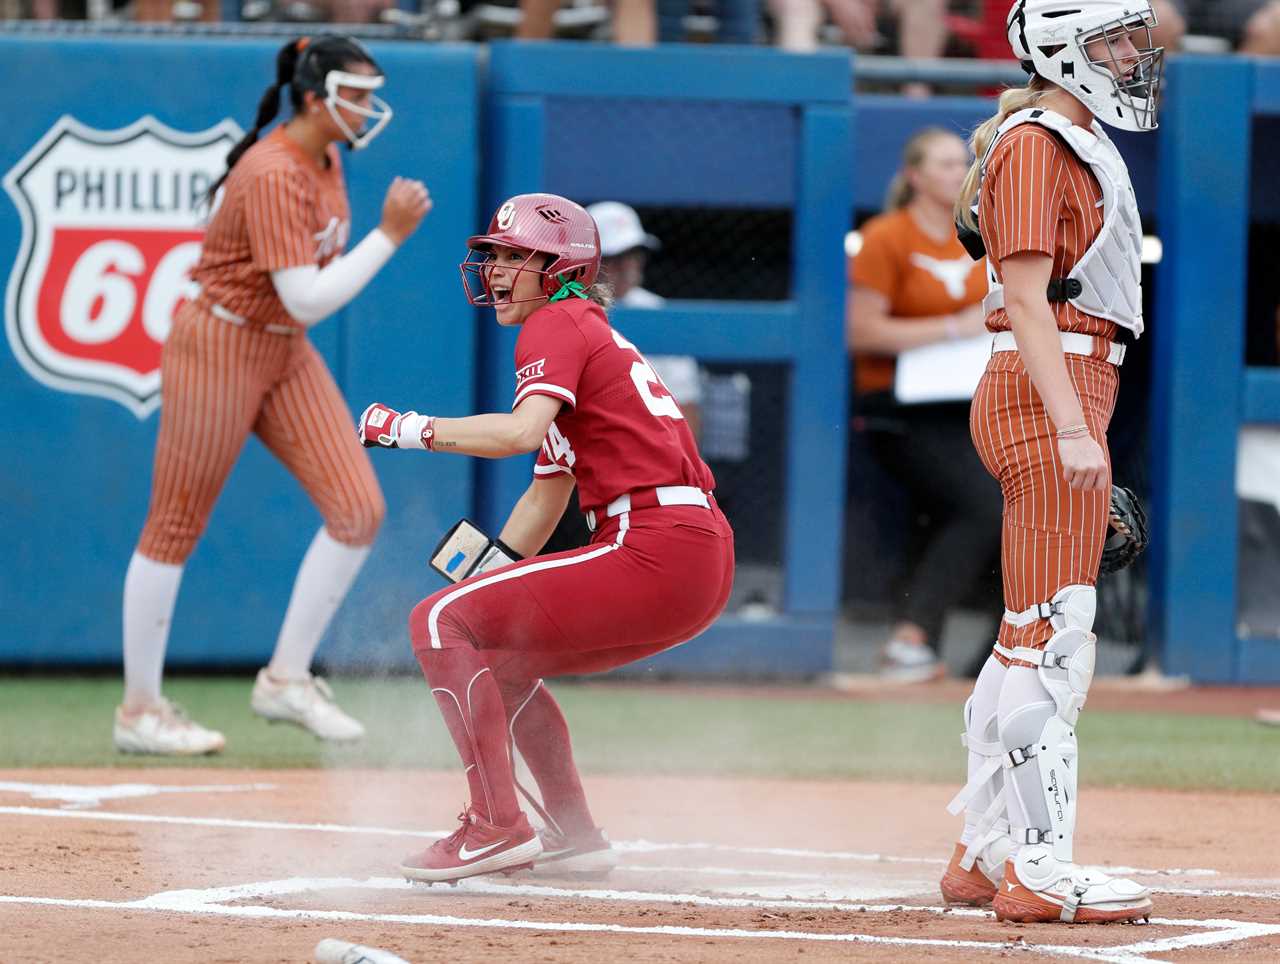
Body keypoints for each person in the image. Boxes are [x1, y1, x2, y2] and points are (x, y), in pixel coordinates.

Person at [357, 193, 734, 883]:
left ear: (560, 267)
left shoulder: (557, 323)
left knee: (436, 621)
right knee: (491, 648)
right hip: (688, 548)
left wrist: (406, 427)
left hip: (652, 539)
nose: (496, 269)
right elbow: (543, 496)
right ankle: (573, 832)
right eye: (493, 255)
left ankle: (496, 826)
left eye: (514, 255)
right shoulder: (581, 330)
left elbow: (517, 433)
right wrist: (485, 585)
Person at [115, 35, 430, 756]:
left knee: (357, 510)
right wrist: (388, 235)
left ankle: (287, 678)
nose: (370, 108)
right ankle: (138, 711)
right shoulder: (271, 172)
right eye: (357, 94)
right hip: (221, 341)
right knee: (174, 526)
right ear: (316, 98)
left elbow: (295, 308)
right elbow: (309, 296)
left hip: (279, 346)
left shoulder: (328, 157)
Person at [939, 0, 1159, 924]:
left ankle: (980, 853)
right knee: (1056, 634)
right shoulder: (1036, 142)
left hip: (1063, 382)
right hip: (1050, 385)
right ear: (1067, 48)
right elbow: (1027, 301)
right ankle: (1036, 867)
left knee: (1029, 626)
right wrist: (1075, 431)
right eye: (1114, 39)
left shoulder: (1067, 137)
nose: (1131, 56)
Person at [847, 127, 1001, 683]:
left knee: (1010, 506)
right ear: (914, 176)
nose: (960, 172)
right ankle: (909, 639)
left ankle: (994, 659)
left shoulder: (984, 233)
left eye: (964, 162)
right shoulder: (887, 236)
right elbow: (861, 330)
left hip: (970, 400)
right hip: (900, 407)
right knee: (984, 506)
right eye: (944, 163)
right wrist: (953, 329)